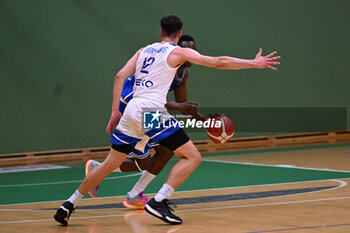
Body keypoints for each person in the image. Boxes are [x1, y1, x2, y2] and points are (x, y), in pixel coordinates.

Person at [54, 14, 280, 226]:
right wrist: (254, 62)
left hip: (131, 109)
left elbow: (120, 75)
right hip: (151, 111)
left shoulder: (144, 50)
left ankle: (69, 203)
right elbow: (219, 61)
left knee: (110, 164)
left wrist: (115, 111)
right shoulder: (178, 53)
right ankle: (159, 201)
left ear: (160, 31)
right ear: (179, 35)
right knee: (192, 156)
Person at [85, 35, 207, 210]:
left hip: (151, 109)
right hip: (132, 105)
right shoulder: (166, 64)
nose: (191, 53)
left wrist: (205, 121)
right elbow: (158, 101)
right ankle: (104, 173)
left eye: (193, 50)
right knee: (147, 161)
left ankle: (133, 194)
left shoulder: (183, 75)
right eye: (188, 49)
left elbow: (182, 106)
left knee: (165, 152)